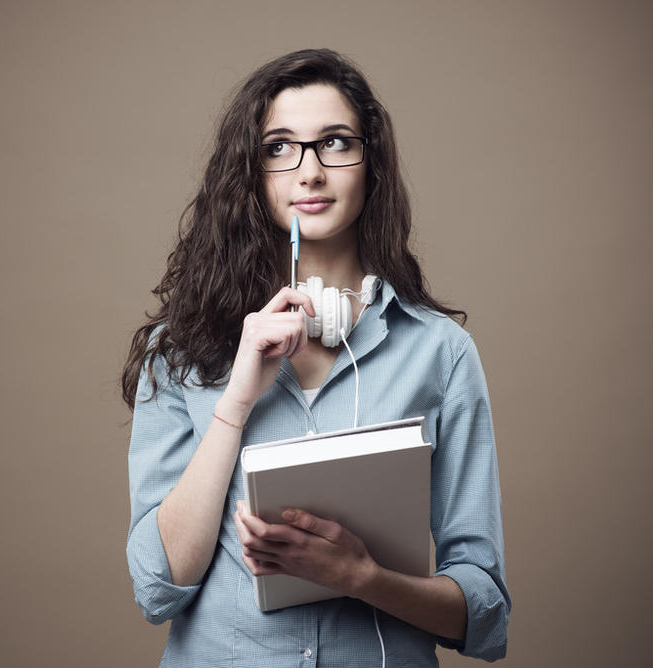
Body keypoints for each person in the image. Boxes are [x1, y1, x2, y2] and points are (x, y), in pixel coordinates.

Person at [123, 48, 509, 666]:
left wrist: (362, 577)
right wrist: (235, 403)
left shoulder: (441, 353)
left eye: (334, 143)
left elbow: (483, 612)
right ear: (251, 173)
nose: (309, 172)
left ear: (370, 164)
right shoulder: (179, 350)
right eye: (279, 147)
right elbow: (157, 588)